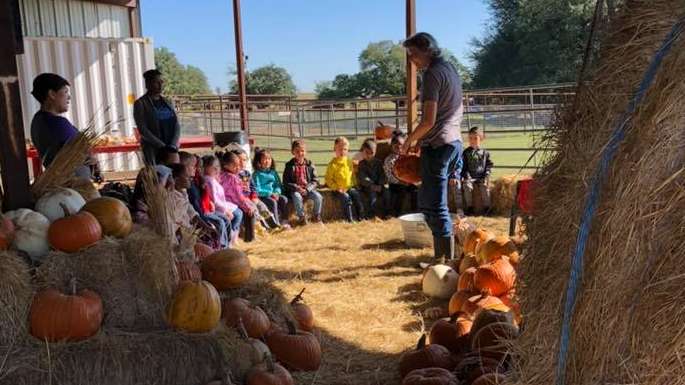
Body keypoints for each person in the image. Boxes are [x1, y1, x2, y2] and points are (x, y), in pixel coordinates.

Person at [401, 32, 464, 261]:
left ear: (427, 49)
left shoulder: (431, 75)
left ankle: (445, 262)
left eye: (414, 54)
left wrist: (410, 140)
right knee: (428, 203)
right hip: (453, 142)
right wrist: (421, 140)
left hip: (439, 145)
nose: (412, 60)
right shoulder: (451, 69)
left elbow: (428, 120)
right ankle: (448, 255)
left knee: (435, 207)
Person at [29, 73, 101, 182]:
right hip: (74, 186)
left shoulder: (38, 120)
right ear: (52, 94)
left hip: (64, 184)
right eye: (65, 92)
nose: (69, 97)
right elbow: (83, 153)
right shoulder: (56, 124)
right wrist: (93, 161)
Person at [179, 152, 230, 249]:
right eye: (194, 166)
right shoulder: (190, 185)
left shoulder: (196, 182)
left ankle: (225, 245)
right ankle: (221, 247)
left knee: (224, 220)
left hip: (203, 212)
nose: (197, 169)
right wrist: (204, 222)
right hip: (202, 214)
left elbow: (193, 208)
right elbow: (195, 206)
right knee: (220, 223)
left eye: (199, 167)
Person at [134, 69, 181, 165]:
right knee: (158, 176)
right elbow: (143, 129)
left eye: (161, 82)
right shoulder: (141, 103)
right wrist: (162, 146)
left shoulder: (167, 102)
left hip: (171, 148)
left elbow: (176, 124)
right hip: (154, 150)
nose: (160, 85)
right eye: (156, 82)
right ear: (148, 84)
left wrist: (173, 144)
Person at [168, 163, 219, 244]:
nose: (190, 179)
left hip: (189, 232)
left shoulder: (183, 192)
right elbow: (175, 224)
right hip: (182, 237)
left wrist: (206, 227)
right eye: (186, 177)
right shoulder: (172, 198)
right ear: (176, 180)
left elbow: (191, 212)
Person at [202, 155, 242, 246]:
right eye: (213, 168)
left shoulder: (213, 179)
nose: (217, 170)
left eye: (218, 167)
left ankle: (232, 236)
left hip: (220, 205)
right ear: (205, 168)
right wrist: (225, 210)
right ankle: (226, 242)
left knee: (238, 212)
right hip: (216, 208)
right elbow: (215, 200)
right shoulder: (209, 181)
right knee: (233, 216)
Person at [282, 140, 323, 226]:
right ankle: (301, 217)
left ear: (306, 152)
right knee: (297, 197)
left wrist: (307, 189)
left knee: (318, 197)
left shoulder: (310, 164)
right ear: (293, 152)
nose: (300, 153)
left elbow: (315, 180)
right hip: (295, 190)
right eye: (297, 151)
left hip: (308, 189)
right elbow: (286, 182)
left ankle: (316, 216)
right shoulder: (289, 166)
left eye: (302, 151)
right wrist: (297, 188)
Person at [325, 137, 365, 222]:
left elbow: (352, 175)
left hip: (348, 187)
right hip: (338, 190)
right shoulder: (332, 164)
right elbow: (328, 180)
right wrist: (337, 188)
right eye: (340, 149)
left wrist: (355, 184)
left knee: (357, 195)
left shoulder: (349, 162)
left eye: (345, 149)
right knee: (346, 198)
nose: (342, 151)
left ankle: (361, 217)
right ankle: (349, 219)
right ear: (334, 149)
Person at [252, 148, 289, 226]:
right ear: (258, 161)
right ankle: (276, 223)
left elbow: (278, 185)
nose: (267, 161)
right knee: (273, 202)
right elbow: (257, 189)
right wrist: (270, 193)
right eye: (264, 159)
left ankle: (285, 220)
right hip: (263, 196)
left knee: (284, 199)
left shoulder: (273, 173)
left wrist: (276, 192)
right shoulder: (256, 174)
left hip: (274, 194)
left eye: (269, 159)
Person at [384, 132, 418, 217]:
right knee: (400, 192)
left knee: (415, 190)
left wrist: (411, 180)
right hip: (395, 183)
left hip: (407, 181)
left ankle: (415, 210)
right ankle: (395, 213)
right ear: (392, 146)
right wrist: (401, 182)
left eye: (401, 145)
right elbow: (389, 175)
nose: (399, 147)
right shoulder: (389, 160)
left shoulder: (406, 157)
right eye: (396, 145)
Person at [461, 126, 493, 215]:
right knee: (467, 186)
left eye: (475, 138)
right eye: (470, 138)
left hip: (481, 176)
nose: (473, 140)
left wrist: (486, 175)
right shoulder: (466, 152)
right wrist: (466, 175)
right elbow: (464, 166)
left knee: (485, 187)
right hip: (470, 176)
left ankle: (487, 208)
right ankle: (469, 207)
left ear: (481, 139)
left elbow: (489, 165)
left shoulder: (485, 153)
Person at [357, 140, 390, 219]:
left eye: (372, 153)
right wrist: (372, 185)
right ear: (363, 152)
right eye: (367, 152)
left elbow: (382, 175)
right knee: (372, 196)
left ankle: (387, 213)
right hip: (367, 186)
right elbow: (362, 177)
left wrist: (380, 184)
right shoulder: (361, 164)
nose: (369, 155)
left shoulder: (378, 163)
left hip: (379, 185)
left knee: (387, 193)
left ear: (375, 152)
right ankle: (373, 215)